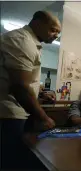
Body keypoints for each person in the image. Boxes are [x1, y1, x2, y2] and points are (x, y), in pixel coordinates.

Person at [0, 11, 61, 169]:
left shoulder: (33, 44)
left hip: (17, 112)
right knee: (11, 162)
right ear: (38, 23)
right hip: (8, 114)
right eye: (53, 30)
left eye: (58, 33)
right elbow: (19, 86)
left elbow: (23, 81)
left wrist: (41, 94)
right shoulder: (22, 40)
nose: (56, 36)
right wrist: (43, 118)